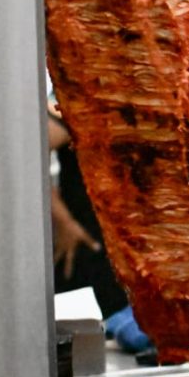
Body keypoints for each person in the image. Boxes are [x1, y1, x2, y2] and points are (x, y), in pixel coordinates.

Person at [48, 105, 152, 353]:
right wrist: (64, 223)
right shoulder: (73, 105)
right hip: (92, 247)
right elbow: (29, 155)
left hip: (135, 249)